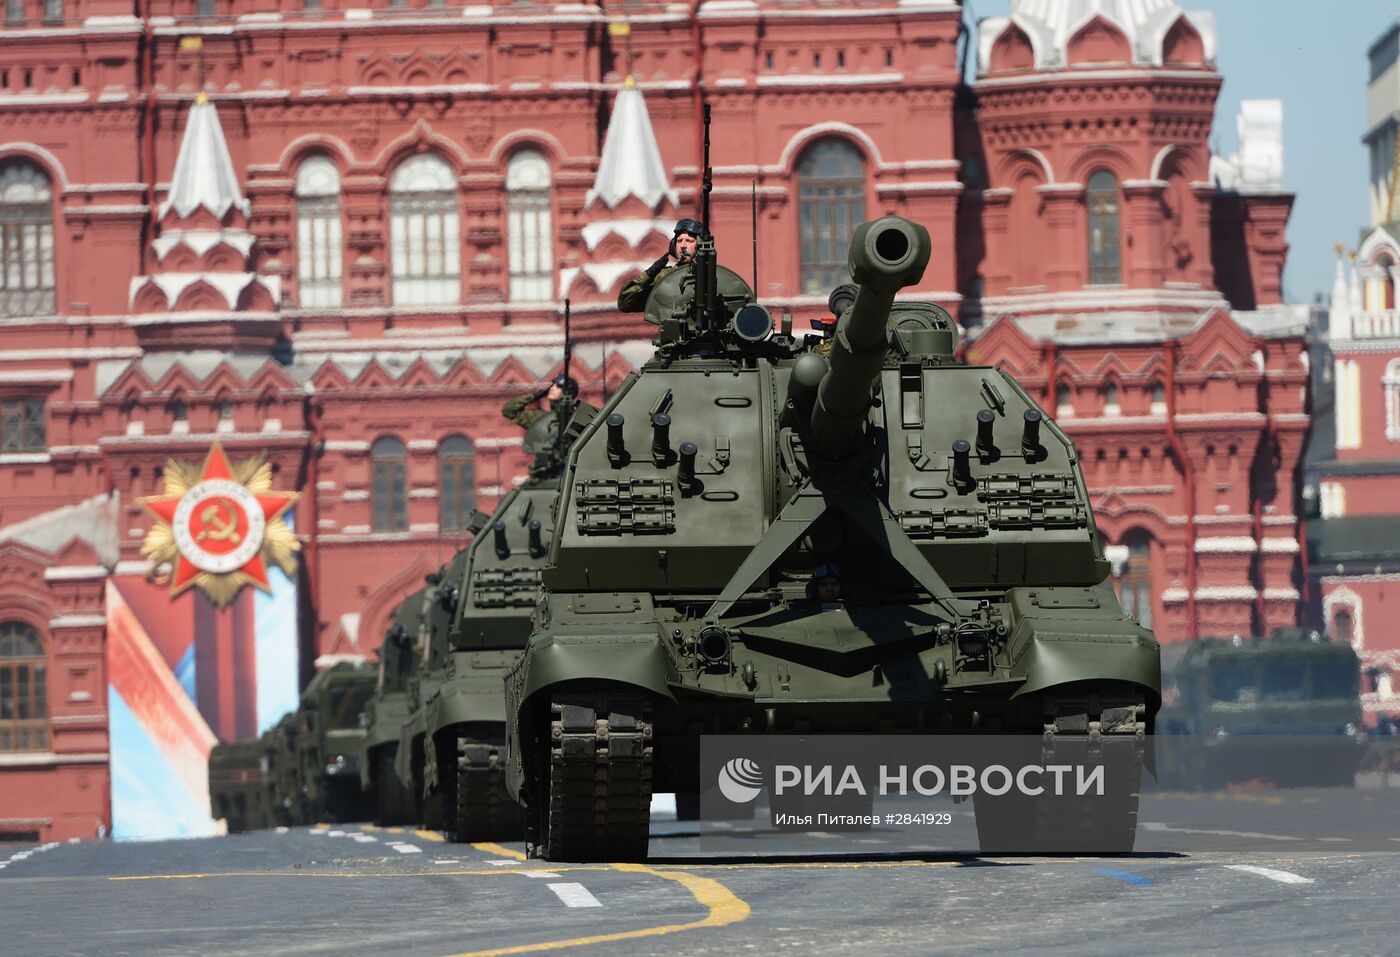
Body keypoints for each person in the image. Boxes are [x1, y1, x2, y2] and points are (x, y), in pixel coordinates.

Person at [617, 218, 703, 313]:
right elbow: (625, 304)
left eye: (689, 241)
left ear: (699, 246)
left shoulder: (712, 275)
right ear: (673, 245)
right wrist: (649, 274)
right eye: (679, 241)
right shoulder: (665, 277)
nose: (683, 245)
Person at [502, 373, 577, 431]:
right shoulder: (541, 418)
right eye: (553, 385)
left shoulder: (576, 418)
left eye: (558, 386)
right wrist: (535, 396)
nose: (552, 388)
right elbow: (509, 411)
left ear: (568, 392)